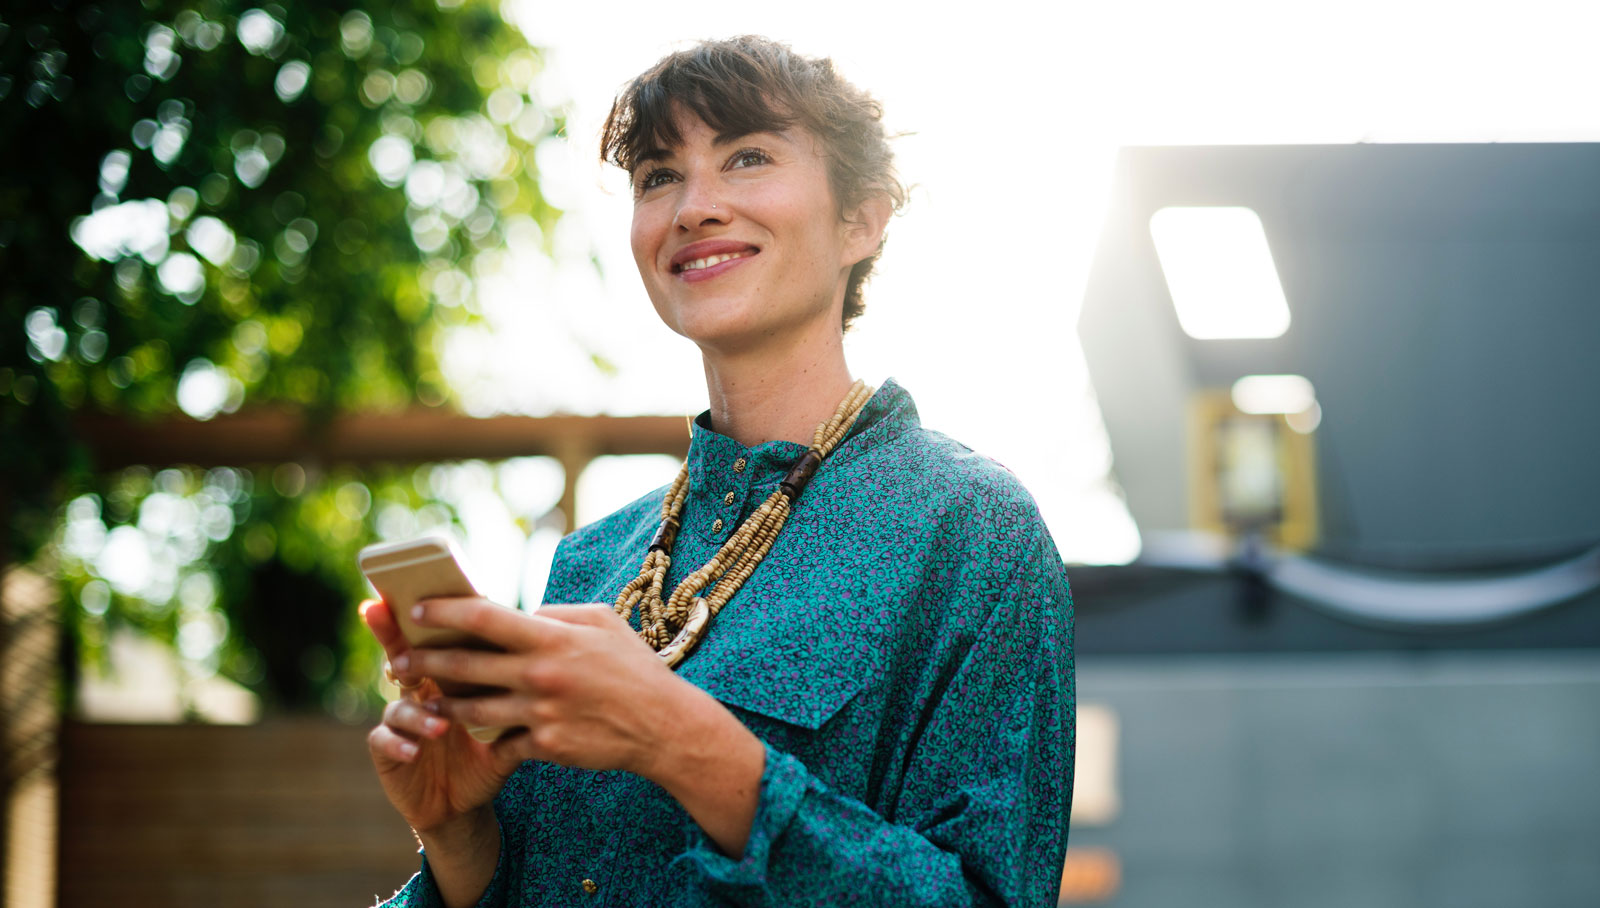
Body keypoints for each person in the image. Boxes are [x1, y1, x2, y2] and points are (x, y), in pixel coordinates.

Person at [362, 35, 1075, 908]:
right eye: (660, 175)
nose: (696, 206)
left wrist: (678, 738)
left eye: (747, 158)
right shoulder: (593, 563)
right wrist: (458, 837)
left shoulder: (972, 531)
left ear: (862, 219)